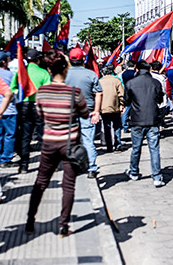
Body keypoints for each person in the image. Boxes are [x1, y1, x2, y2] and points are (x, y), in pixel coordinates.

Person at [26, 50, 89, 237]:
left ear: (50, 69)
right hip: (70, 144)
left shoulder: (42, 92)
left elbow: (40, 115)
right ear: (65, 69)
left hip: (48, 143)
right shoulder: (74, 93)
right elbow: (85, 113)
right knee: (68, 185)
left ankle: (30, 221)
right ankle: (63, 226)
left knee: (41, 182)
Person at [124, 60, 165, 187]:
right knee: (154, 149)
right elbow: (160, 99)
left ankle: (134, 172)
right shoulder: (155, 82)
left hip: (137, 119)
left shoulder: (131, 83)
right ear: (149, 69)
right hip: (153, 119)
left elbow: (126, 101)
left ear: (137, 69)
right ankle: (157, 177)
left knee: (136, 148)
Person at [11, 49, 51, 173]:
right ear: (38, 60)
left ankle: (24, 165)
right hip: (39, 106)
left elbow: (13, 88)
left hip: (23, 106)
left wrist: (21, 95)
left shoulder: (20, 72)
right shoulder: (43, 73)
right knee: (43, 136)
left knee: (25, 136)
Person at [65, 47, 103, 178]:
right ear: (83, 59)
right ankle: (91, 168)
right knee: (88, 141)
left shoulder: (63, 74)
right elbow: (98, 93)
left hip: (69, 113)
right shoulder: (91, 74)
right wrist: (97, 111)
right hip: (88, 112)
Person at [0, 51, 18, 166]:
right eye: (8, 60)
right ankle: (6, 158)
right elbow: (14, 92)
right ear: (3, 62)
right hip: (9, 109)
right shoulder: (10, 75)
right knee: (9, 134)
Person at [99, 65, 124, 152]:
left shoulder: (100, 81)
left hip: (103, 108)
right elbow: (121, 95)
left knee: (107, 127)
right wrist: (122, 105)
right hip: (115, 107)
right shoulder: (116, 81)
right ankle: (118, 144)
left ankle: (109, 146)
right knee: (117, 126)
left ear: (103, 73)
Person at [150, 61, 168, 129]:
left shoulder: (149, 76)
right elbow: (165, 89)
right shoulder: (162, 78)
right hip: (161, 100)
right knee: (160, 115)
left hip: (151, 99)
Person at [120, 60, 137, 133]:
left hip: (126, 92)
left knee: (126, 111)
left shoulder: (124, 73)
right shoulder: (135, 73)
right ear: (134, 65)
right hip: (134, 93)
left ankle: (124, 126)